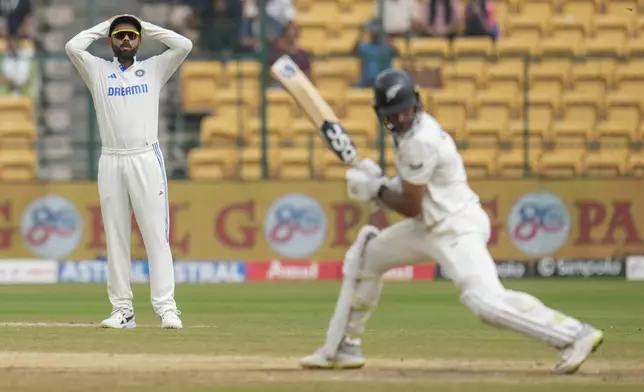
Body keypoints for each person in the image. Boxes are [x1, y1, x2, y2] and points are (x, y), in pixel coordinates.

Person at [299, 69, 604, 374]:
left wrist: (375, 189)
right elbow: (414, 190)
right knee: (367, 257)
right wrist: (379, 180)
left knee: (484, 302)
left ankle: (574, 334)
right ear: (382, 114)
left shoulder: (420, 139)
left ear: (416, 104)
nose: (401, 119)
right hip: (429, 225)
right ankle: (344, 347)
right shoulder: (407, 134)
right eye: (394, 114)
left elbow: (410, 204)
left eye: (405, 111)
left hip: (454, 227)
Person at [65, 14, 193, 329]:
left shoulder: (152, 68)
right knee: (116, 237)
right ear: (110, 40)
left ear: (139, 40)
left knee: (155, 236)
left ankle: (166, 308)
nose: (125, 40)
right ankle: (123, 310)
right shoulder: (97, 70)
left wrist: (141, 24)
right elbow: (72, 46)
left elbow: (183, 44)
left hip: (145, 157)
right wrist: (108, 23)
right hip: (111, 160)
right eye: (120, 35)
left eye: (131, 36)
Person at [353, 22, 398, 88]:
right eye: (373, 32)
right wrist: (361, 33)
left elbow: (397, 53)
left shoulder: (386, 48)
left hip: (385, 81)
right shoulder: (365, 47)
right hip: (368, 81)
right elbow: (353, 52)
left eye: (377, 32)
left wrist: (386, 35)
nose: (375, 34)